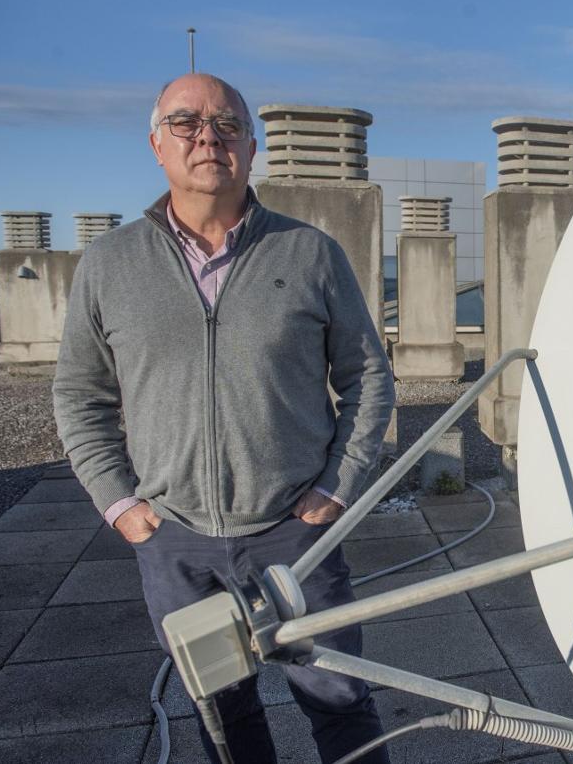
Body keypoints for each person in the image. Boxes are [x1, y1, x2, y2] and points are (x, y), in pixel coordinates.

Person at [52, 73, 394, 764]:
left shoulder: (309, 254)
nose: (208, 136)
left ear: (251, 146)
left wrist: (336, 488)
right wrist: (120, 505)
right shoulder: (110, 264)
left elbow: (369, 377)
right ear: (157, 145)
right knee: (224, 716)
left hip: (294, 538)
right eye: (186, 122)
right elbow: (79, 395)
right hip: (176, 544)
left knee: (339, 699)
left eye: (227, 124)